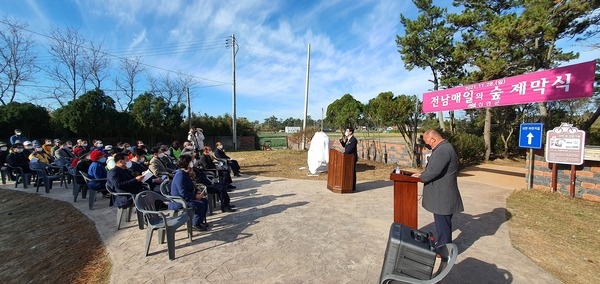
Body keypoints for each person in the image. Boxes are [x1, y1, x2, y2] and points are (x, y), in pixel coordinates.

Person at [410, 129, 464, 248]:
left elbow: (433, 172)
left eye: (428, 142)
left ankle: (444, 249)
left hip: (443, 195)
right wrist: (422, 174)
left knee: (442, 224)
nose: (427, 145)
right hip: (443, 194)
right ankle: (444, 245)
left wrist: (422, 177)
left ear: (433, 139)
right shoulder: (443, 147)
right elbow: (434, 169)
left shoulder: (443, 150)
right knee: (443, 223)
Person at [170, 154, 210, 231]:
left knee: (204, 200)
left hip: (186, 197)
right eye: (190, 161)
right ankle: (195, 224)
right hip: (180, 201)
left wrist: (197, 193)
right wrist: (195, 197)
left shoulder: (185, 173)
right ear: (186, 163)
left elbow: (189, 187)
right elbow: (183, 192)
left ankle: (200, 220)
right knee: (200, 204)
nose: (192, 163)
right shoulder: (180, 175)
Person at [339, 127, 358, 191]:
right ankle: (347, 185)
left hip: (352, 158)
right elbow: (345, 146)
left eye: (347, 131)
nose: (346, 132)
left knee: (352, 172)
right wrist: (341, 141)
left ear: (351, 132)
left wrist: (343, 154)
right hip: (347, 157)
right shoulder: (348, 139)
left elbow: (349, 150)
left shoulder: (353, 140)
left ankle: (352, 186)